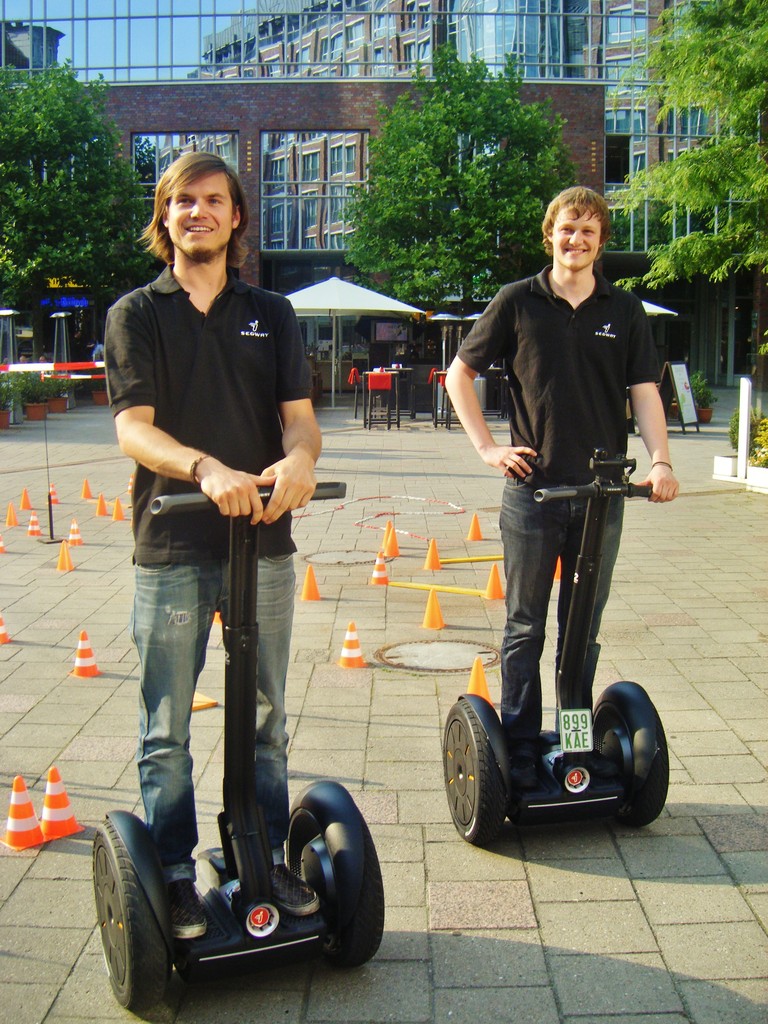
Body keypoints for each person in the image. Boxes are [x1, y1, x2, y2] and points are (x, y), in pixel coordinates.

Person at [104, 151, 322, 939]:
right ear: (164, 217)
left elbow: (299, 417)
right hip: (173, 544)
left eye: (214, 201)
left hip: (261, 543)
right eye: (182, 201)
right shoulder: (137, 313)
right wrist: (204, 467)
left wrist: (299, 458)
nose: (198, 212)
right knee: (167, 725)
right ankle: (171, 872)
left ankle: (256, 862)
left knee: (264, 715)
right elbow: (134, 427)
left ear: (236, 218)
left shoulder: (274, 311)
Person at [445, 186, 679, 790]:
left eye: (588, 232)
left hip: (602, 493)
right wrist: (489, 448)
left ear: (600, 243)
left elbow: (645, 393)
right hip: (534, 490)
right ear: (550, 234)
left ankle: (575, 738)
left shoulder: (622, 310)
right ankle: (520, 745)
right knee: (525, 624)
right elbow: (459, 375)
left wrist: (661, 462)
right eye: (567, 229)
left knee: (582, 623)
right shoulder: (517, 301)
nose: (576, 241)